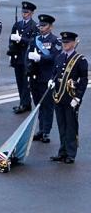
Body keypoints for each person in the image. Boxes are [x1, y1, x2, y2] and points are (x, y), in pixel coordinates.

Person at [49, 32, 88, 164]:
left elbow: (83, 81)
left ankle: (71, 154)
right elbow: (55, 73)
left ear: (73, 43)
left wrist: (77, 98)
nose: (64, 45)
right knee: (61, 126)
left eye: (67, 43)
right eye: (63, 43)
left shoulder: (80, 60)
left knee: (70, 126)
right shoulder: (59, 57)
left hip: (71, 98)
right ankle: (62, 152)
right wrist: (51, 81)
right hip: (59, 97)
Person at [27, 14, 61, 143]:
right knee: (38, 105)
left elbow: (56, 56)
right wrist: (28, 72)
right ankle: (41, 130)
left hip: (47, 78)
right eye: (40, 26)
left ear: (50, 27)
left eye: (44, 26)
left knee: (47, 106)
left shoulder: (55, 41)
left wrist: (41, 58)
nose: (42, 28)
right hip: (35, 76)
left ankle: (46, 131)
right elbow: (28, 57)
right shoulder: (34, 40)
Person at [8, 0, 39, 114]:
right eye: (23, 12)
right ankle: (23, 102)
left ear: (31, 13)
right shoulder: (17, 24)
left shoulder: (34, 26)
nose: (24, 14)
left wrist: (21, 39)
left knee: (26, 82)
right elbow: (11, 40)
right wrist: (11, 54)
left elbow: (33, 41)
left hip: (26, 58)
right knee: (19, 81)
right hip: (18, 57)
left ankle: (25, 104)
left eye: (26, 12)